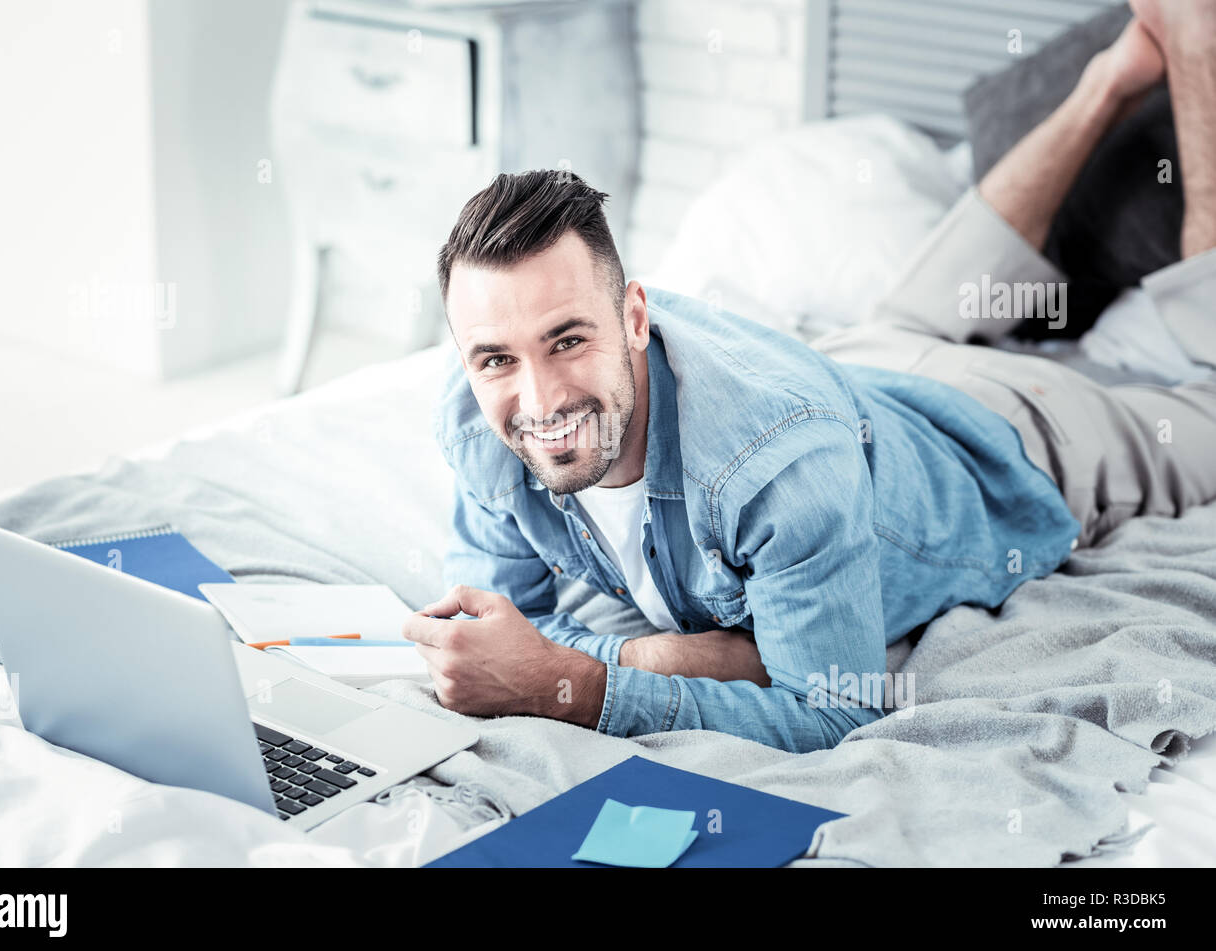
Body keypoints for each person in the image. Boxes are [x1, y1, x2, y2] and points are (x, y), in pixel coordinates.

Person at [400, 5, 1216, 753]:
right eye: (497, 358)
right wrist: (660, 653)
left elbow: (832, 710)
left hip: (1010, 435)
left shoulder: (780, 466)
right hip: (863, 361)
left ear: (636, 318)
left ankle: (1194, 42)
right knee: (932, 307)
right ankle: (1110, 77)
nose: (537, 400)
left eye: (568, 339)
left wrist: (577, 684)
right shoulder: (482, 421)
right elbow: (502, 628)